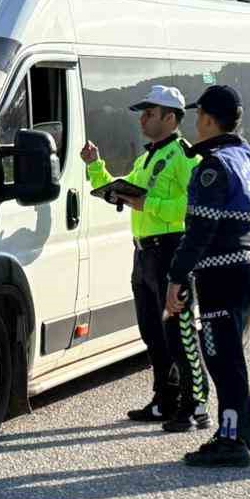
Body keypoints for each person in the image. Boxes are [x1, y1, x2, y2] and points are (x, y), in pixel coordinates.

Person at [81, 85, 207, 432]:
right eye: (142, 113)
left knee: (179, 333)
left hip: (171, 250)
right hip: (144, 253)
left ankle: (195, 405)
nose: (143, 119)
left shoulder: (186, 157)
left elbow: (193, 206)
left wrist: (148, 204)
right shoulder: (147, 157)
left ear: (170, 118)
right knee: (153, 333)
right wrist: (96, 168)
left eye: (149, 113)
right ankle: (165, 401)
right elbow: (126, 190)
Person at [164, 84, 250, 469]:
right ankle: (245, 424)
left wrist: (176, 278)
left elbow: (199, 231)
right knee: (232, 352)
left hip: (221, 270)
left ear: (208, 119)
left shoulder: (213, 165)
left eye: (197, 116)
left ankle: (229, 438)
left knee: (220, 356)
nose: (195, 123)